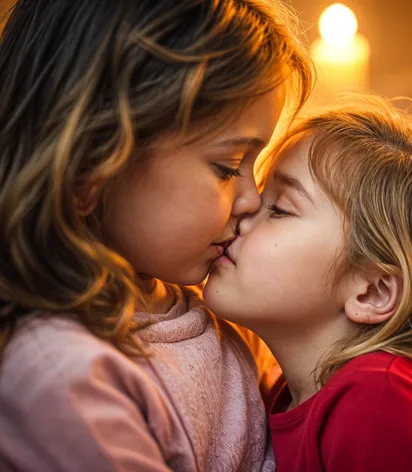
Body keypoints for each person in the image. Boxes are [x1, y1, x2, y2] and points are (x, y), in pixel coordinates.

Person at [0, 1, 314, 470]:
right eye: (228, 167)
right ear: (91, 166)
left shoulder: (219, 315)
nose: (252, 199)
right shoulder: (61, 376)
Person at [205, 96, 412, 472]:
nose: (242, 206)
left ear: (372, 291)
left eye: (280, 208)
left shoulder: (382, 398)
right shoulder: (292, 394)